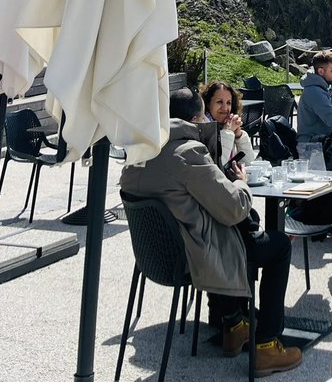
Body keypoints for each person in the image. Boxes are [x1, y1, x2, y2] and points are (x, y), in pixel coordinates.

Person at [120, 86, 301, 376]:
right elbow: (233, 208)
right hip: (194, 258)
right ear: (198, 116)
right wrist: (240, 182)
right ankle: (267, 346)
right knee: (277, 246)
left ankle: (234, 324)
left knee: (234, 234)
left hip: (154, 258)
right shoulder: (187, 152)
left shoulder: (139, 154)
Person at [297, 50, 332, 145]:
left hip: (317, 143)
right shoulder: (315, 93)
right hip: (312, 148)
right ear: (320, 71)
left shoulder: (318, 88)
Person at [202, 79, 257, 165]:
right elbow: (217, 165)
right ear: (208, 103)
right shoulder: (202, 128)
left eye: (228, 103)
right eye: (219, 102)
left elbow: (249, 163)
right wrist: (227, 132)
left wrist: (239, 136)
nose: (225, 108)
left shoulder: (227, 125)